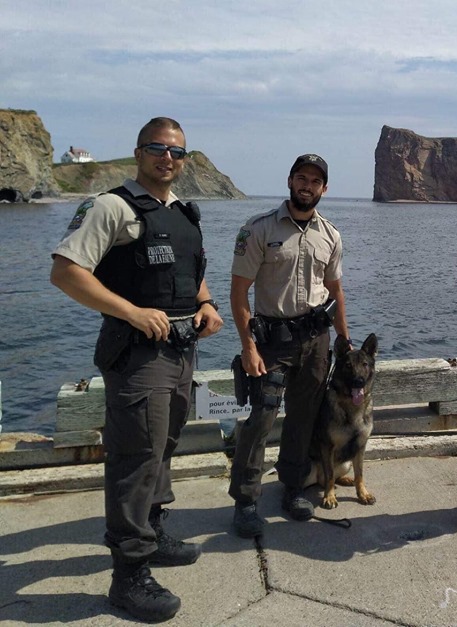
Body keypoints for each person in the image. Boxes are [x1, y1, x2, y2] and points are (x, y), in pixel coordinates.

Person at [50, 116, 224, 622]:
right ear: (138, 152)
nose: (167, 158)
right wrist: (130, 312)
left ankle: (155, 529)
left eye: (177, 152)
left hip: (181, 349)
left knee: (164, 446)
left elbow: (195, 278)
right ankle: (128, 577)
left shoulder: (185, 213)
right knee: (135, 458)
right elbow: (65, 272)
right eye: (157, 148)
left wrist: (208, 307)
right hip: (137, 353)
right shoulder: (111, 207)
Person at [228, 153, 351, 538]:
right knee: (261, 419)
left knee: (304, 417)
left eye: (315, 181)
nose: (307, 186)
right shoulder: (258, 229)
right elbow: (238, 292)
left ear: (324, 189)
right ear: (290, 181)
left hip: (316, 342)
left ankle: (294, 487)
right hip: (272, 342)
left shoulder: (330, 235)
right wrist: (248, 346)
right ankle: (246, 500)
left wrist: (345, 342)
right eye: (302, 178)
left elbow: (335, 292)